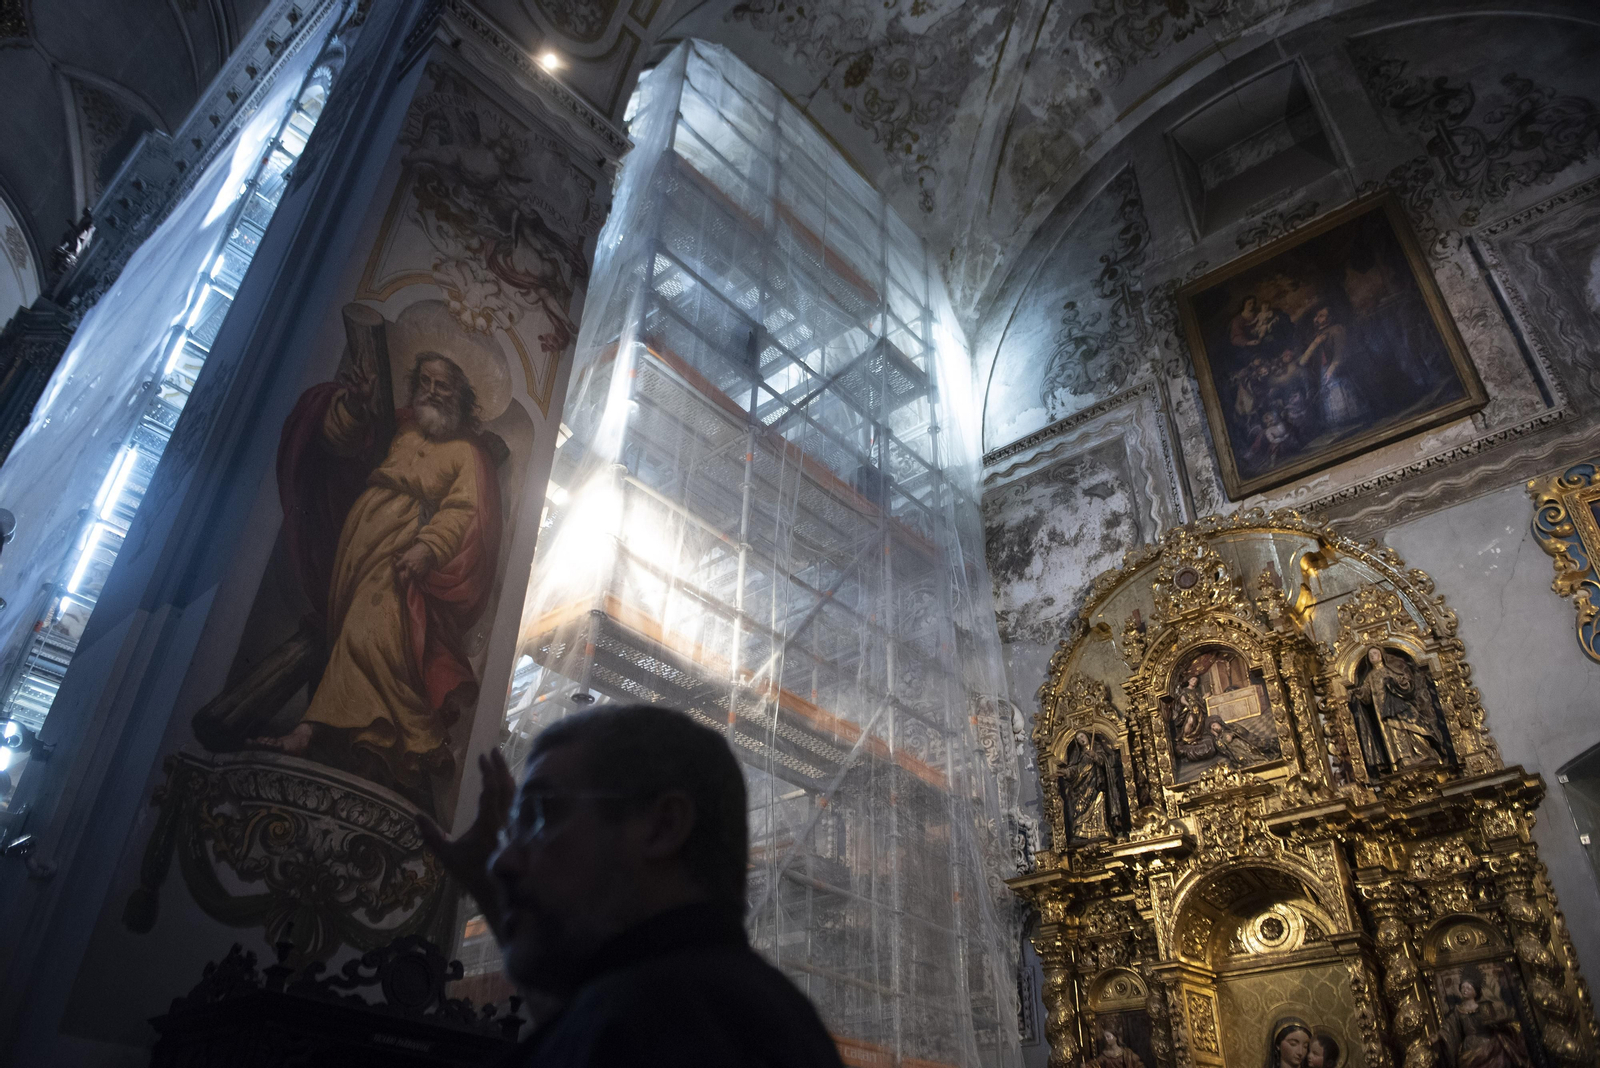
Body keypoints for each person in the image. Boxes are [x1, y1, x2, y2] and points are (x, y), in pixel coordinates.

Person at [419, 704, 846, 1068]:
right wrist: (499, 898)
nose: (503, 861)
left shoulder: (663, 1024)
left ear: (662, 827)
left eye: (542, 813)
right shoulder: (722, 1009)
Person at [251, 352, 504, 812]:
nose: (430, 390)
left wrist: (428, 547)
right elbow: (346, 442)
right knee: (364, 636)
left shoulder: (467, 454)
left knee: (371, 635)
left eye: (442, 386)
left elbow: (466, 512)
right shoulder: (402, 428)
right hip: (358, 549)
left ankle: (313, 732)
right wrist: (352, 407)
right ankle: (403, 744)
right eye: (424, 381)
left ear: (462, 399)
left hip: (402, 552)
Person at [1437, 972, 1533, 1068]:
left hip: (1488, 1043)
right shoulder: (1458, 1011)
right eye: (1463, 987)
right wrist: (1438, 1036)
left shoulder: (1484, 1006)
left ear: (1475, 992)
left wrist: (1499, 1021)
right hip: (1469, 1047)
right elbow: (1449, 1026)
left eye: (1468, 988)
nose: (1465, 990)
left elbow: (1494, 1020)